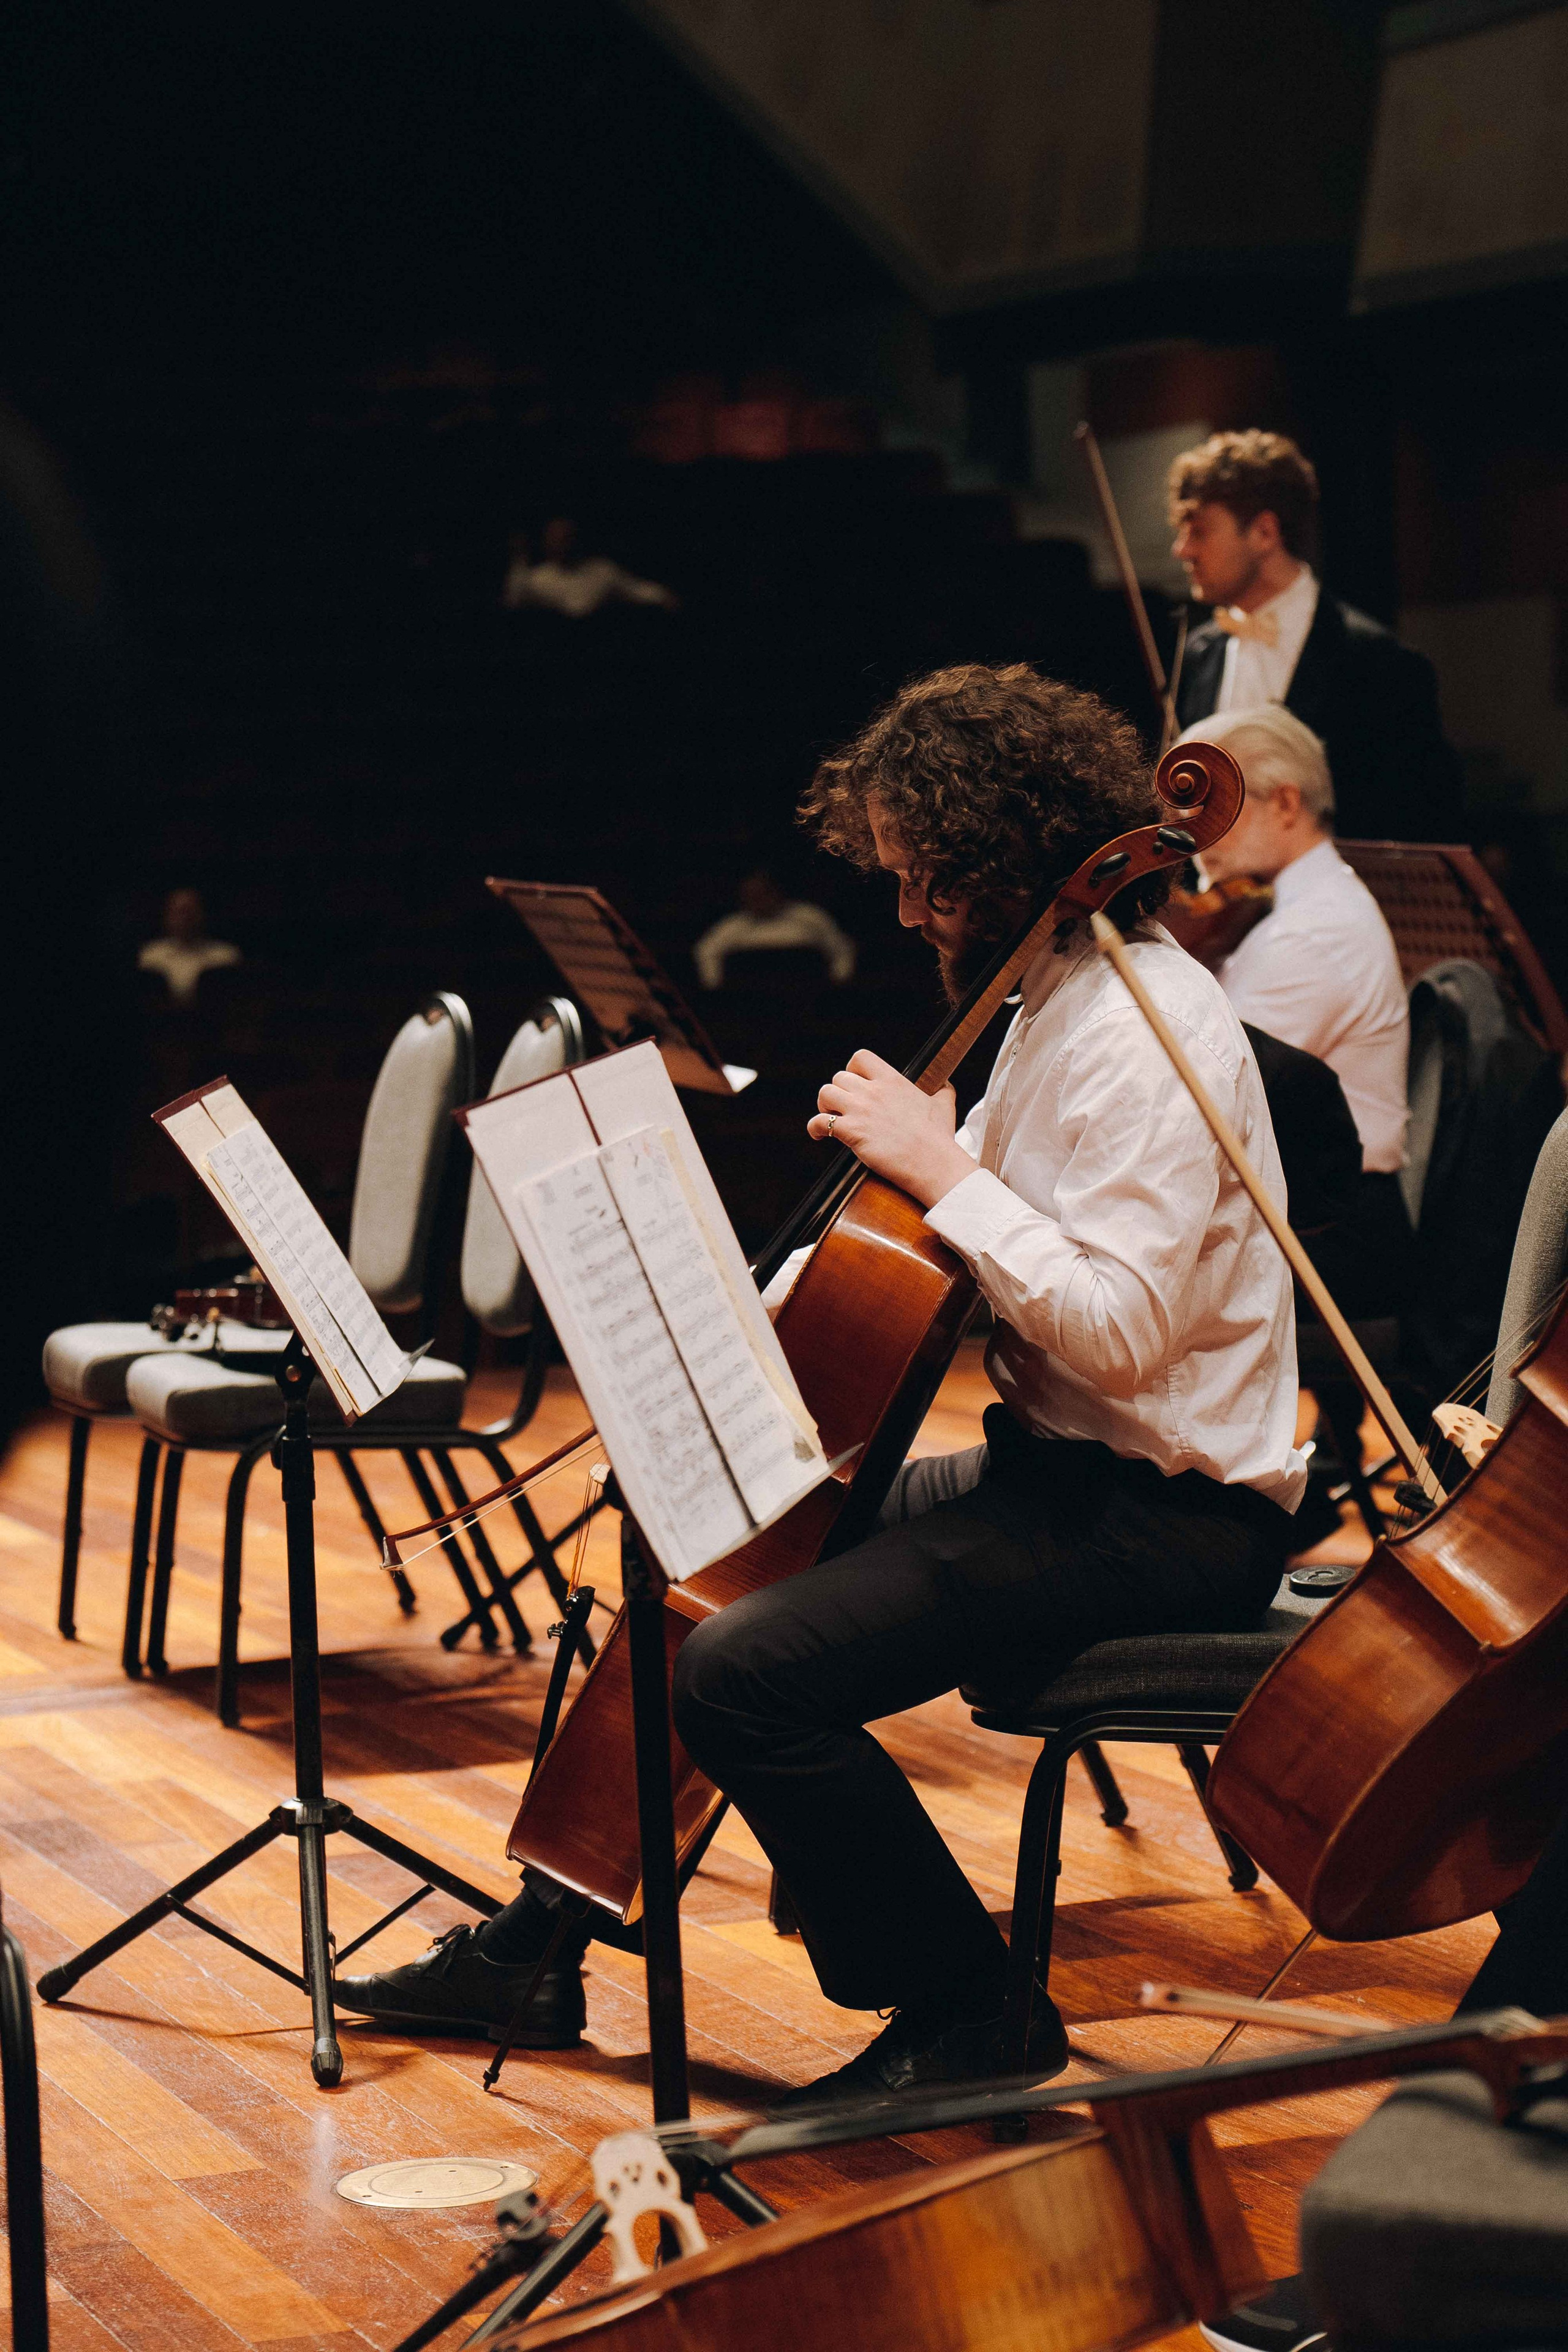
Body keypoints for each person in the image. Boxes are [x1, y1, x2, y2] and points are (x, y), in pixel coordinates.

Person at [334, 663, 1306, 2103]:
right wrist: (752, 1331)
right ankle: (539, 1937)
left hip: (1164, 1517)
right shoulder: (1042, 1001)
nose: (906, 912)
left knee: (746, 1670)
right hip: (1056, 1470)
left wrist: (947, 1165)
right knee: (708, 1540)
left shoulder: (1148, 1033)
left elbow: (1116, 1330)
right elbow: (913, 1245)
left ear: (1005, 857)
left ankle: (968, 2004)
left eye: (925, 881)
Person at [1170, 431, 1463, 843]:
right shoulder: (1198, 652)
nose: (1182, 550)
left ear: (1265, 533)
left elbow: (1414, 823)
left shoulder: (1382, 664)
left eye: (1199, 531)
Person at [693, 867, 856, 988]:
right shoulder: (732, 927)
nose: (760, 901)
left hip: (808, 995)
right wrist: (719, 990)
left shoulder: (809, 916)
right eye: (753, 897)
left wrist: (837, 984)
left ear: (776, 891)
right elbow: (706, 953)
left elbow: (841, 949)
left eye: (764, 894)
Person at [501, 517, 678, 619]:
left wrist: (664, 596)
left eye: (567, 538)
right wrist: (519, 559)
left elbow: (635, 589)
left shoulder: (602, 570)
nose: (562, 545)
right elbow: (513, 602)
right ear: (546, 542)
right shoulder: (537, 578)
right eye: (555, 539)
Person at [137, 888, 241, 1007]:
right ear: (166, 916)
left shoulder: (224, 956)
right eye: (179, 912)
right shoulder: (152, 954)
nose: (185, 918)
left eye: (190, 911)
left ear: (202, 914)